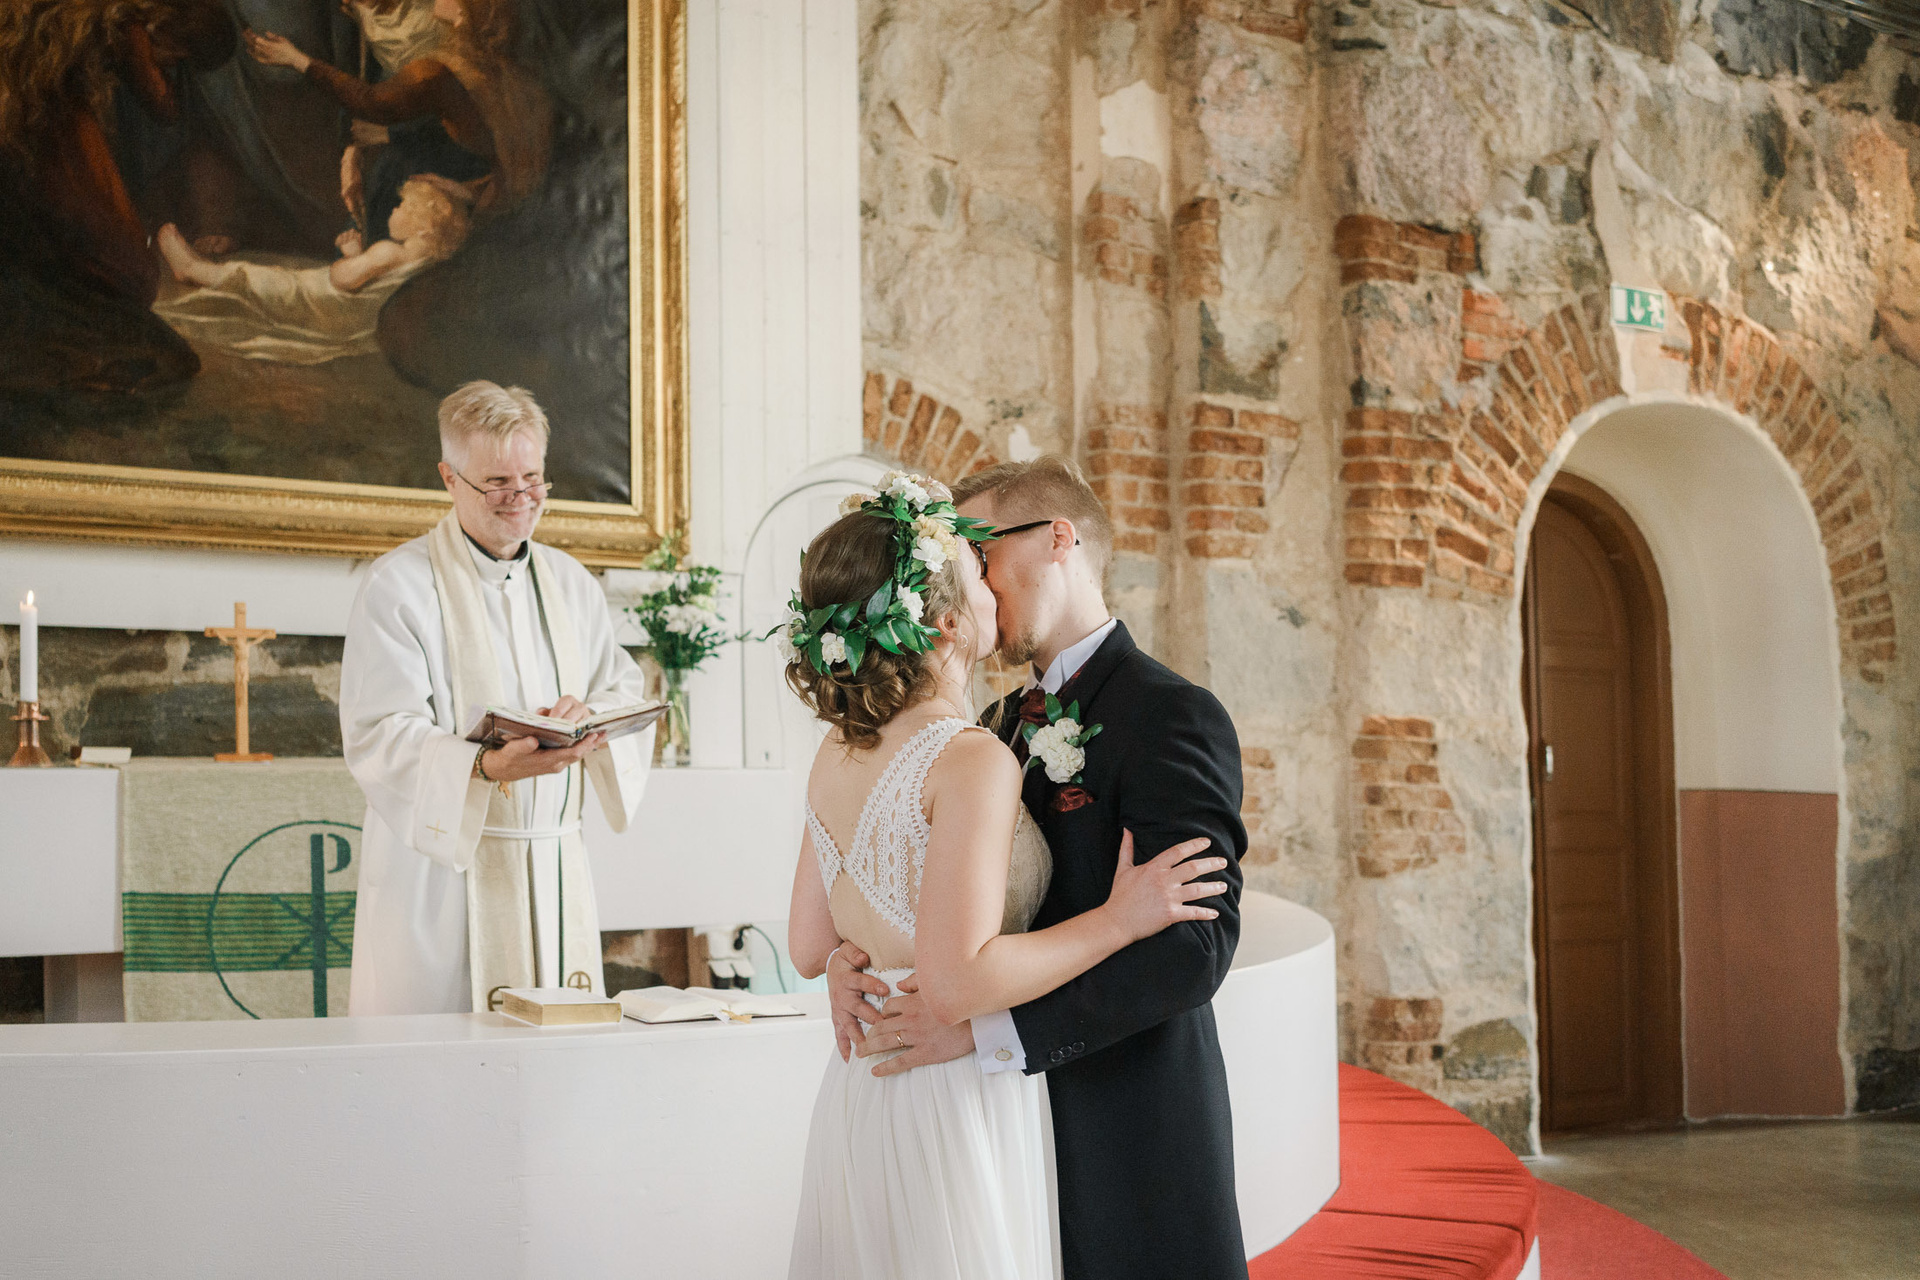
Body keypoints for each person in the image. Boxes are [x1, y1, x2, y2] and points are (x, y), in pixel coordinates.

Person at [781, 471, 1229, 1279]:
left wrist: (990, 1032)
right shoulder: (987, 730)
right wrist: (856, 964)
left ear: (1058, 539)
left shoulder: (1170, 713)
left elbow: (1193, 949)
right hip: (981, 1111)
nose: (977, 579)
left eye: (981, 551)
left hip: (1118, 1122)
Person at [339, 381, 654, 1015]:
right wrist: (484, 766)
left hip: (551, 865)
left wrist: (589, 716)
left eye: (533, 479)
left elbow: (619, 684)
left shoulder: (571, 583)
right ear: (449, 479)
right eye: (498, 483)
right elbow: (380, 731)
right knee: (443, 1056)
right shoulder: (398, 586)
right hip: (446, 879)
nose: (522, 498)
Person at [244, 0, 549, 237]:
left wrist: (297, 60)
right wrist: (352, 150)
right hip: (415, 128)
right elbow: (365, 80)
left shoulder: (440, 65)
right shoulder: (367, 18)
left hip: (461, 154)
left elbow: (376, 102)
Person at [152, 174, 469, 365]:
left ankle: (194, 269)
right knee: (271, 279)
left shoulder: (388, 251)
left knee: (259, 278)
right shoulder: (428, 265)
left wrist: (352, 255)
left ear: (423, 228)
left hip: (320, 304)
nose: (394, 210)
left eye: (403, 207)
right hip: (359, 323)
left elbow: (340, 279)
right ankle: (199, 269)